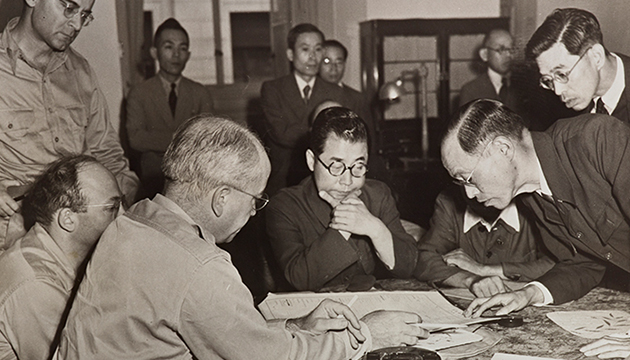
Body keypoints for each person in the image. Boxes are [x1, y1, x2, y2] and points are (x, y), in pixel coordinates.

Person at [56, 115, 428, 359]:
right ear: (221, 198)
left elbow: (214, 328)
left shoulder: (134, 221)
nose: (254, 211)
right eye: (255, 199)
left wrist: (293, 327)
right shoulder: (200, 265)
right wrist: (363, 336)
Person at [441, 99, 630, 359]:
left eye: (468, 178)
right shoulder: (533, 196)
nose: (469, 194)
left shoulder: (595, 139)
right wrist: (529, 293)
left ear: (502, 148)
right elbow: (585, 263)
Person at [0, 0, 139, 247]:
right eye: (69, 8)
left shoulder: (81, 71)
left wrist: (121, 203)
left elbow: (108, 155)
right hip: (12, 233)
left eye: (85, 15)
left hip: (79, 233)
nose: (76, 25)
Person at [266, 107, 418, 291]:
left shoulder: (378, 194)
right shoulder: (285, 205)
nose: (347, 181)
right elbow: (299, 278)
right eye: (336, 166)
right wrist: (343, 226)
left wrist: (376, 229)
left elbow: (409, 265)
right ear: (311, 161)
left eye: (358, 166)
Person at [0, 155, 122, 360]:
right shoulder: (36, 284)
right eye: (112, 209)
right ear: (67, 219)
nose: (123, 218)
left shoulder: (58, 255)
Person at [414, 184, 555, 298]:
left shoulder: (535, 203)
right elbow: (424, 257)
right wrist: (470, 280)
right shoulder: (449, 202)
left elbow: (562, 265)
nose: (471, 193)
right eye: (463, 181)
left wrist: (482, 270)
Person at [126, 18, 214, 199]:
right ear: (154, 52)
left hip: (192, 179)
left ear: (188, 55)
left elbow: (207, 139)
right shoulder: (139, 93)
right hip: (152, 179)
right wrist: (182, 138)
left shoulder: (200, 93)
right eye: (168, 47)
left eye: (182, 48)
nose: (176, 55)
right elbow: (136, 139)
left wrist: (157, 141)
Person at [260, 23, 344, 195]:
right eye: (305, 49)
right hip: (282, 180)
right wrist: (321, 133)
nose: (312, 57)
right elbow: (281, 133)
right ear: (290, 54)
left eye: (318, 49)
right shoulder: (272, 89)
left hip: (322, 180)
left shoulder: (335, 91)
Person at [526, 8, 630, 123]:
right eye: (547, 80)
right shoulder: (559, 114)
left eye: (561, 74)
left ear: (596, 57)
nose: (558, 91)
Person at [320, 39, 377, 157]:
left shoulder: (357, 98)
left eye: (339, 62)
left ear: (345, 63)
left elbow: (369, 138)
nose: (333, 68)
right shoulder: (310, 96)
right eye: (326, 61)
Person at [459, 29, 519, 111]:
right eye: (501, 49)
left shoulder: (522, 86)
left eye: (512, 49)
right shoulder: (471, 90)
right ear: (485, 54)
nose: (508, 55)